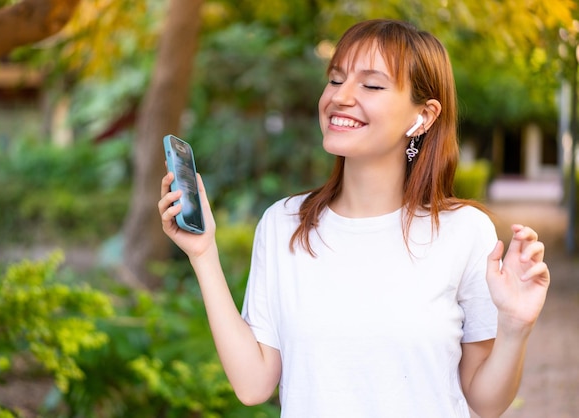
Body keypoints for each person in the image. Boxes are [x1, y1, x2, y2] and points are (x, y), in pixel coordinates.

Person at [158, 18, 550, 418]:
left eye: (372, 85)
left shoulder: (464, 231)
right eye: (335, 79)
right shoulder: (284, 225)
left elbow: (486, 402)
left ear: (424, 116)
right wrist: (203, 253)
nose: (340, 97)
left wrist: (515, 326)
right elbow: (253, 384)